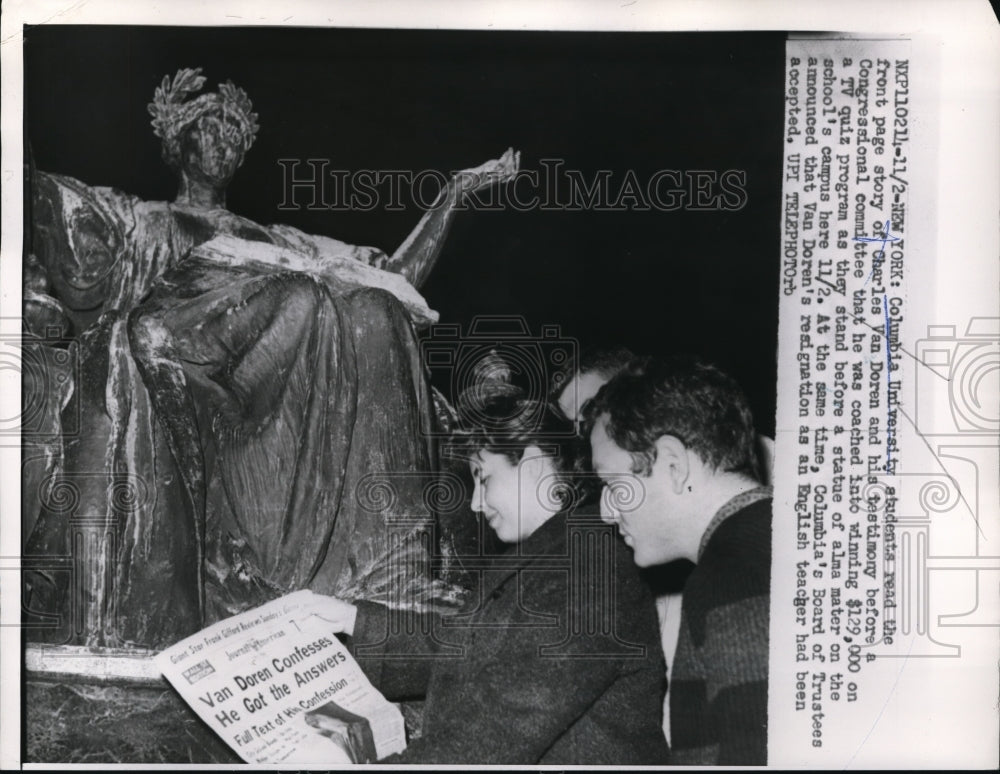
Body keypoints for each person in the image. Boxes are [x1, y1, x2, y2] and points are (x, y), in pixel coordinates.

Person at [24, 67, 517, 648]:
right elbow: (50, 212)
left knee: (374, 313)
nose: (224, 141)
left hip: (278, 400)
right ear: (177, 142)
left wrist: (452, 194)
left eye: (235, 133)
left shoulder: (276, 240)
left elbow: (394, 278)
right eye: (211, 127)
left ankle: (389, 578)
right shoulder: (140, 221)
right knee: (303, 299)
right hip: (194, 397)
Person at [301, 394, 671, 765]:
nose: (476, 503)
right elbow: (467, 645)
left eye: (484, 477)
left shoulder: (586, 566)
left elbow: (496, 732)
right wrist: (352, 620)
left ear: (533, 464)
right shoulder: (557, 554)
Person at [586, 355, 771, 765]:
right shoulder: (774, 541)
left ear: (672, 464)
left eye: (613, 483)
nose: (606, 511)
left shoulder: (732, 575)